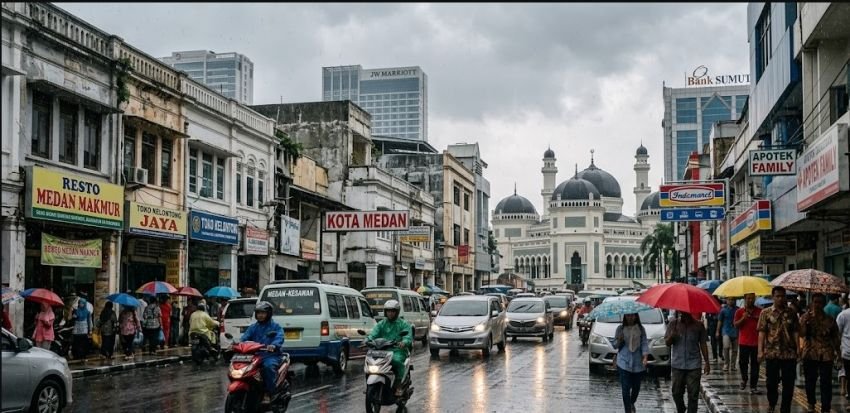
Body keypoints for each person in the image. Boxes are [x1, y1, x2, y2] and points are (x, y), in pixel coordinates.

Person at [758, 286, 800, 413]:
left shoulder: (792, 313)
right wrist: (760, 351)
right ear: (773, 297)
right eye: (778, 296)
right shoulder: (765, 313)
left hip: (789, 353)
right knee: (771, 383)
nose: (781, 299)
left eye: (783, 296)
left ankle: (785, 408)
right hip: (772, 353)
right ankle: (772, 402)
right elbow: (761, 333)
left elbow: (796, 332)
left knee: (789, 384)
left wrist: (798, 348)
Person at [799, 293, 840, 413]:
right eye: (815, 302)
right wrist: (805, 323)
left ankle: (826, 407)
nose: (817, 305)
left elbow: (835, 338)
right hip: (810, 353)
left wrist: (838, 353)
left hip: (826, 354)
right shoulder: (805, 317)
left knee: (826, 382)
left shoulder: (829, 319)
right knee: (810, 381)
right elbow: (801, 334)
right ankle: (811, 402)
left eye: (820, 302)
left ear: (823, 304)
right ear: (812, 303)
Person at [366, 299, 413, 397]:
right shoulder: (381, 324)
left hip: (397, 351)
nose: (390, 313)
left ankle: (399, 385)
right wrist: (367, 340)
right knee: (369, 362)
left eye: (392, 311)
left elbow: (408, 336)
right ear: (385, 312)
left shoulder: (403, 324)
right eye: (388, 311)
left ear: (397, 312)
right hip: (382, 351)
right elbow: (373, 334)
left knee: (397, 362)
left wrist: (404, 342)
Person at [665, 311, 709, 413]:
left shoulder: (699, 325)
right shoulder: (673, 324)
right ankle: (681, 409)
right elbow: (667, 343)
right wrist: (672, 336)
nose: (684, 314)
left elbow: (703, 344)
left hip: (694, 365)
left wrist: (707, 362)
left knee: (693, 395)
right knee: (676, 393)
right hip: (677, 365)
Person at [240, 301, 284, 403]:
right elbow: (244, 338)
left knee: (268, 367)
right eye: (258, 313)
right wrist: (237, 345)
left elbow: (279, 337)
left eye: (263, 313)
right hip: (254, 356)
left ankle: (269, 392)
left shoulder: (275, 326)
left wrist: (274, 345)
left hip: (270, 355)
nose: (260, 315)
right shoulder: (253, 327)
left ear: (268, 314)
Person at [612, 312, 649, 413]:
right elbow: (614, 345)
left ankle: (632, 402)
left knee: (636, 388)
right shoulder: (620, 329)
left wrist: (645, 357)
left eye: (632, 315)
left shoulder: (641, 329)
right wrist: (619, 339)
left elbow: (644, 343)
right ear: (625, 316)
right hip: (623, 362)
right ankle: (627, 410)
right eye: (628, 315)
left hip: (638, 364)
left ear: (636, 316)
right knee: (625, 389)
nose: (630, 318)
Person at [734, 293, 763, 394]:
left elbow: (763, 326)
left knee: (755, 365)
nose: (751, 300)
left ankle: (753, 386)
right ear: (745, 299)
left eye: (752, 298)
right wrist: (743, 318)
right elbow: (736, 325)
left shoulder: (760, 311)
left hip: (756, 343)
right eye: (748, 298)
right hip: (744, 342)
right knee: (743, 363)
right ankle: (744, 378)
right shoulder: (739, 311)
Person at [717, 296, 739, 372]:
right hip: (725, 331)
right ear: (726, 300)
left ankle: (733, 365)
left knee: (735, 350)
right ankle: (726, 364)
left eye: (733, 299)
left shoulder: (738, 309)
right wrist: (717, 331)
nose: (731, 301)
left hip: (735, 331)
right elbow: (719, 321)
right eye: (729, 299)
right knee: (726, 347)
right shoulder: (723, 310)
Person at [835, 301, 850, 402]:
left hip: (846, 350)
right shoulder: (843, 314)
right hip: (846, 351)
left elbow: (837, 334)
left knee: (847, 374)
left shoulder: (843, 314)